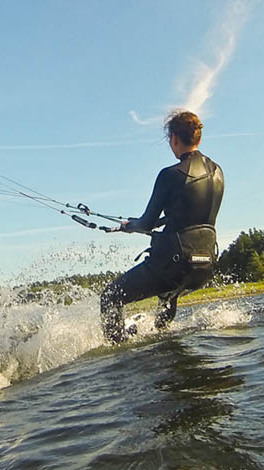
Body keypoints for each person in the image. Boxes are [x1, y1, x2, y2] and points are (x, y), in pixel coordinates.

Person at [99, 110, 224, 343]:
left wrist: (130, 225)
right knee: (167, 294)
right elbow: (191, 214)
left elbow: (145, 223)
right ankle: (163, 341)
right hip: (205, 263)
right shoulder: (218, 172)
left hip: (174, 264)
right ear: (198, 137)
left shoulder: (170, 175)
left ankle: (116, 355)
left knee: (109, 297)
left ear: (174, 138)